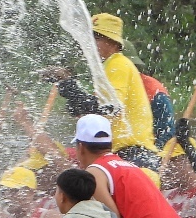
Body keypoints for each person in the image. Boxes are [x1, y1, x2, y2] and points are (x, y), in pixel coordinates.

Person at [53, 14, 158, 167]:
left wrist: (71, 89)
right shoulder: (109, 66)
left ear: (112, 42)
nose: (90, 43)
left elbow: (110, 107)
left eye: (96, 38)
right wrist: (73, 96)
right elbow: (99, 108)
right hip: (126, 153)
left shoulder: (118, 64)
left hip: (133, 154)